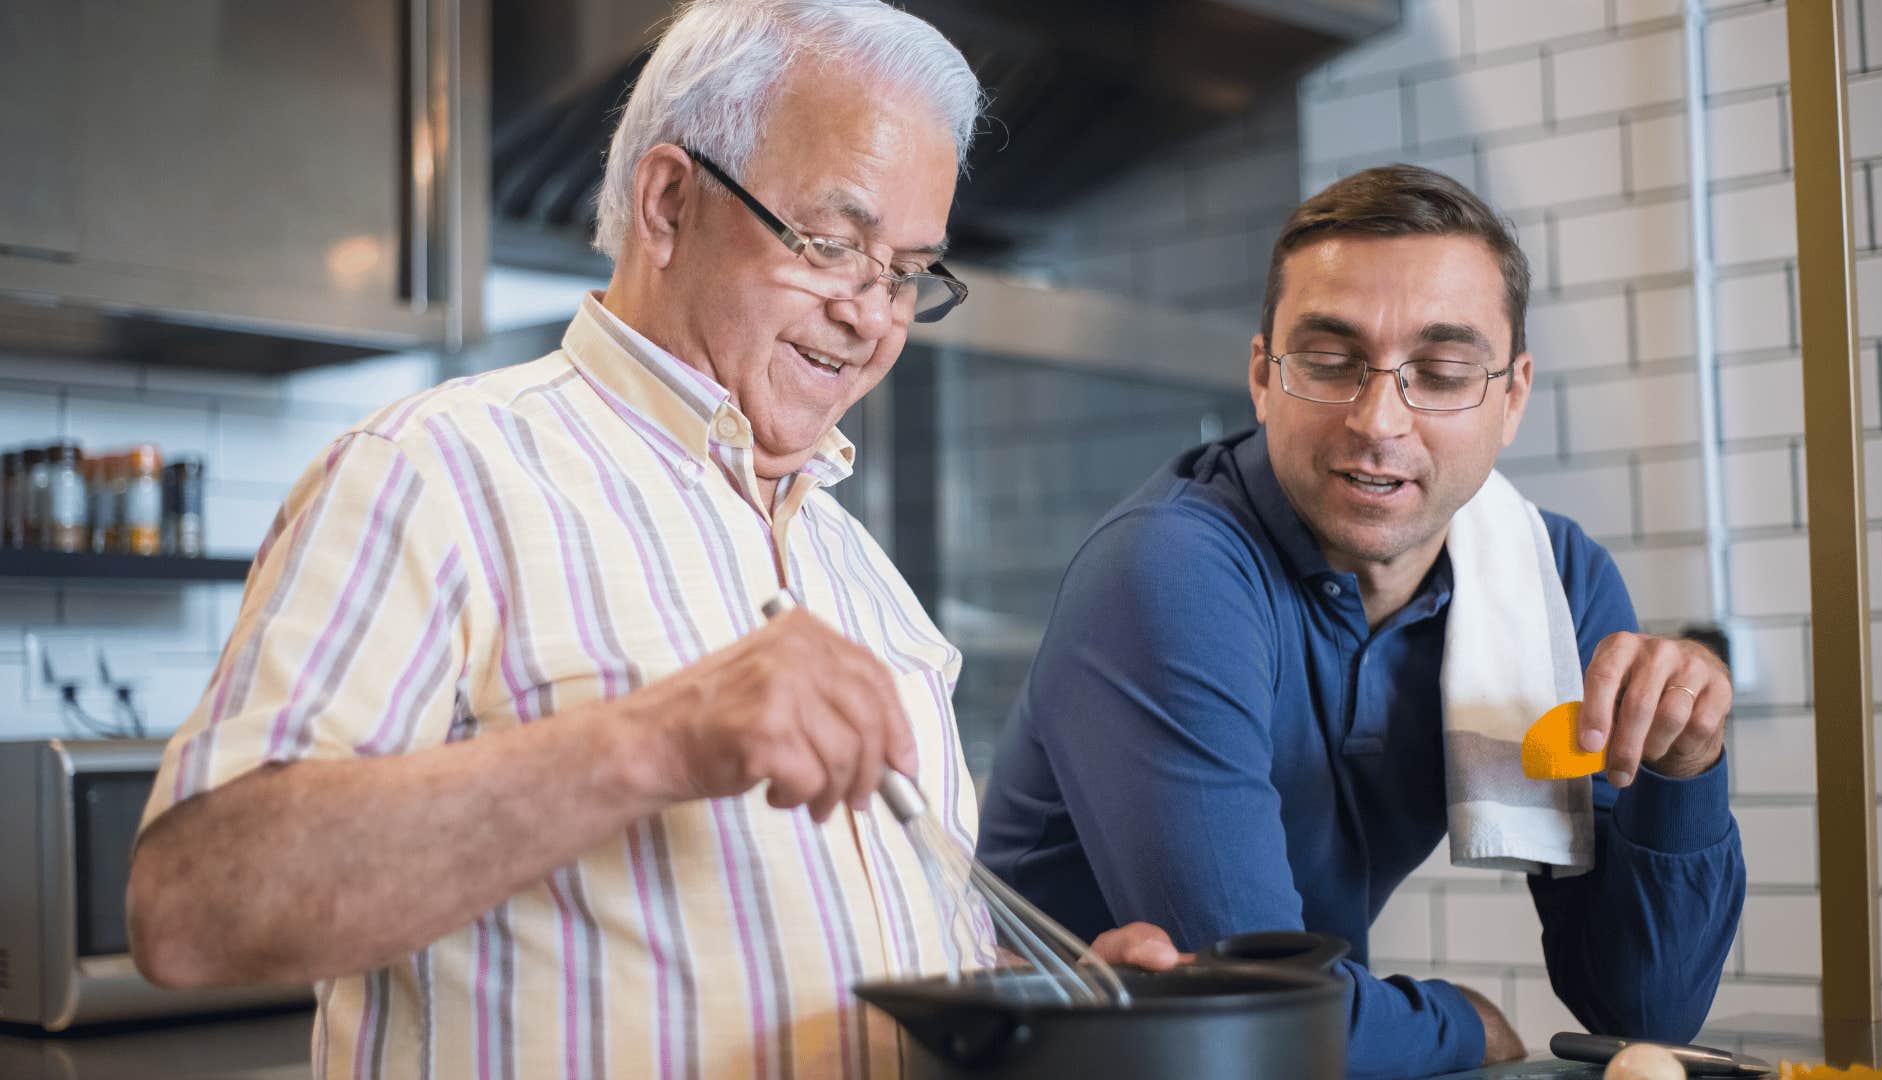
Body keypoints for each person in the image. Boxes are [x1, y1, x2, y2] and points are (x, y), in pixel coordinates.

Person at [126, 4, 1171, 1077]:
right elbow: (192, 904)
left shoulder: (856, 568)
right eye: (831, 244)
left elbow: (856, 949)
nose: (870, 316)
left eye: (905, 272)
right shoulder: (435, 471)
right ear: (669, 203)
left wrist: (1062, 992)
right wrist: (654, 741)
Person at [976, 165, 1746, 1079]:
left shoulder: (1548, 584)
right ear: (1263, 377)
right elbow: (1249, 1008)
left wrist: (1685, 766)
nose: (1380, 419)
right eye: (1331, 363)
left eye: (1444, 371)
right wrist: (1460, 1022)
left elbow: (1641, 1013)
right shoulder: (1169, 571)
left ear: (1512, 396)